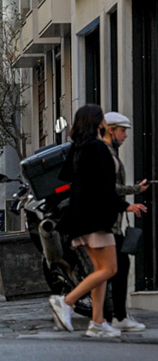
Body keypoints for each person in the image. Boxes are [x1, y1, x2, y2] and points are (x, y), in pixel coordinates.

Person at [50, 104, 146, 338]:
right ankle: (67, 301)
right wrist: (125, 205)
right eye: (102, 118)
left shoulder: (78, 148)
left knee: (100, 271)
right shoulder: (98, 148)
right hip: (96, 220)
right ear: (97, 122)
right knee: (110, 268)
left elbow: (68, 178)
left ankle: (98, 322)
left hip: (80, 219)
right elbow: (103, 187)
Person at [102, 111, 150, 332]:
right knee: (115, 268)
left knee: (113, 269)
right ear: (111, 130)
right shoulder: (108, 155)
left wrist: (135, 190)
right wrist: (129, 200)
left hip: (110, 222)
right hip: (107, 223)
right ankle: (113, 317)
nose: (126, 136)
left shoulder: (109, 153)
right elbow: (108, 189)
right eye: (123, 131)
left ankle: (109, 317)